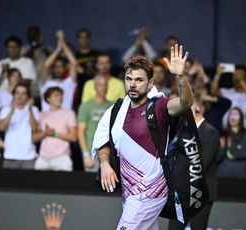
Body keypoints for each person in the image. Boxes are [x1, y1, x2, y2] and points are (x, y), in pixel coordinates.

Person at [92, 44, 193, 230]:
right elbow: (102, 142)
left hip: (151, 190)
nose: (132, 84)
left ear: (151, 83)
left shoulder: (160, 106)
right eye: (129, 79)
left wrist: (179, 76)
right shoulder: (116, 111)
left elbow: (186, 102)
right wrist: (104, 163)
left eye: (139, 80)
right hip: (130, 193)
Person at [168, 96, 219, 230]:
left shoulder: (210, 132)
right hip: (181, 194)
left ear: (199, 109)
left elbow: (201, 163)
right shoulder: (181, 131)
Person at [33, 87, 77, 171]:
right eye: (56, 95)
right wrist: (45, 133)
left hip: (62, 157)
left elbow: (73, 137)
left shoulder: (69, 113)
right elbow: (34, 138)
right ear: (48, 99)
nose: (60, 98)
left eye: (61, 95)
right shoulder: (42, 115)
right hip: (43, 158)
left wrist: (54, 134)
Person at [0, 83, 39, 169]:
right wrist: (12, 111)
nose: (19, 96)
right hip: (10, 156)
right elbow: (1, 127)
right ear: (13, 95)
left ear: (28, 96)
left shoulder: (34, 109)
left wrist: (30, 109)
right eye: (17, 93)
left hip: (28, 156)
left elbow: (35, 129)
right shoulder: (6, 109)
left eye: (23, 93)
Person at [78, 75, 112, 172]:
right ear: (95, 87)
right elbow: (81, 132)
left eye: (105, 85)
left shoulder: (112, 106)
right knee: (91, 184)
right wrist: (85, 154)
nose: (103, 88)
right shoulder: (86, 106)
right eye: (99, 85)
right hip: (91, 150)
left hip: (108, 151)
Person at [40, 30, 77, 111]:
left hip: (66, 122)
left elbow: (73, 63)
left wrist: (62, 42)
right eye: (55, 67)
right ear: (52, 69)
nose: (58, 70)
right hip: (47, 121)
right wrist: (58, 49)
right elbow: (46, 65)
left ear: (65, 68)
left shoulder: (69, 83)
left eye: (61, 67)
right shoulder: (45, 83)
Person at [211, 65, 246, 131]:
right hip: (227, 131)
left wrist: (241, 81)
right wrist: (218, 74)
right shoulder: (226, 91)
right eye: (235, 75)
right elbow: (213, 91)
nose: (236, 77)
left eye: (240, 75)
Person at [217, 107, 246, 178]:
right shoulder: (222, 134)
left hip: (240, 176)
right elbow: (217, 158)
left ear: (241, 119)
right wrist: (221, 148)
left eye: (236, 115)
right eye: (231, 115)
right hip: (223, 175)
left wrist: (231, 146)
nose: (233, 118)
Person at [21, 26, 53, 98]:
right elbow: (26, 60)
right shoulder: (24, 49)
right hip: (30, 87)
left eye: (35, 34)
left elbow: (54, 60)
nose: (34, 37)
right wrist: (33, 47)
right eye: (31, 35)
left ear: (40, 35)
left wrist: (42, 46)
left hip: (45, 85)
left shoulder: (48, 49)